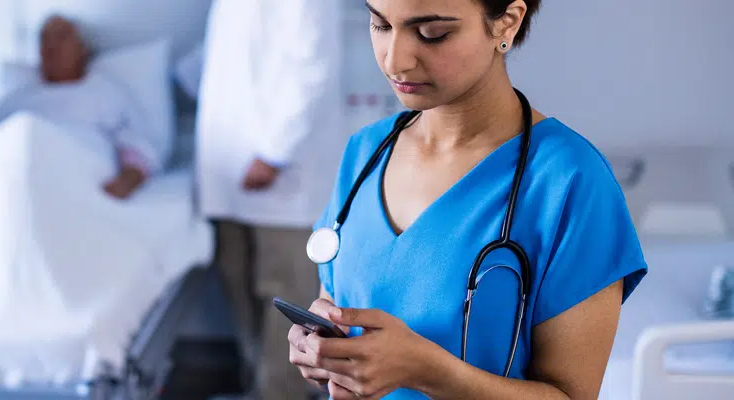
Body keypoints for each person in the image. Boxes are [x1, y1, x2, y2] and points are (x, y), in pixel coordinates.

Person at [288, 0, 649, 399]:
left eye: (432, 33)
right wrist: (321, 344)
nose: (395, 61)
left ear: (506, 24)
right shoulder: (364, 152)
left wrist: (427, 371)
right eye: (380, 25)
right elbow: (336, 302)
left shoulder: (571, 182)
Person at [195, 0, 344, 398]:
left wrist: (276, 152)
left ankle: (280, 394)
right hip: (230, 175)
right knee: (243, 299)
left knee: (286, 302)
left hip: (281, 177)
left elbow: (312, 67)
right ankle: (261, 390)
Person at [0, 15, 167, 200]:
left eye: (61, 37)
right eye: (43, 39)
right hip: (10, 179)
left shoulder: (104, 93)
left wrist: (126, 183)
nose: (50, 45)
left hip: (75, 178)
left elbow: (139, 149)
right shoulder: (14, 101)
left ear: (83, 48)